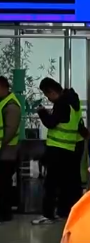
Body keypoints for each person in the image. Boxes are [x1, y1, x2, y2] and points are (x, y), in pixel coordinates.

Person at [32, 78, 83, 225]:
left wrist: (42, 112)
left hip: (57, 148)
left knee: (51, 183)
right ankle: (66, 212)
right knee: (69, 183)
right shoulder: (73, 102)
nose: (48, 98)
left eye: (47, 94)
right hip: (71, 147)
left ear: (52, 91)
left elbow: (51, 123)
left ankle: (48, 214)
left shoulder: (61, 104)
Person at [0, 76, 21, 223]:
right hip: (4, 151)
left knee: (3, 184)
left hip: (7, 152)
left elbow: (10, 130)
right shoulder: (4, 103)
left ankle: (5, 213)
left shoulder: (11, 105)